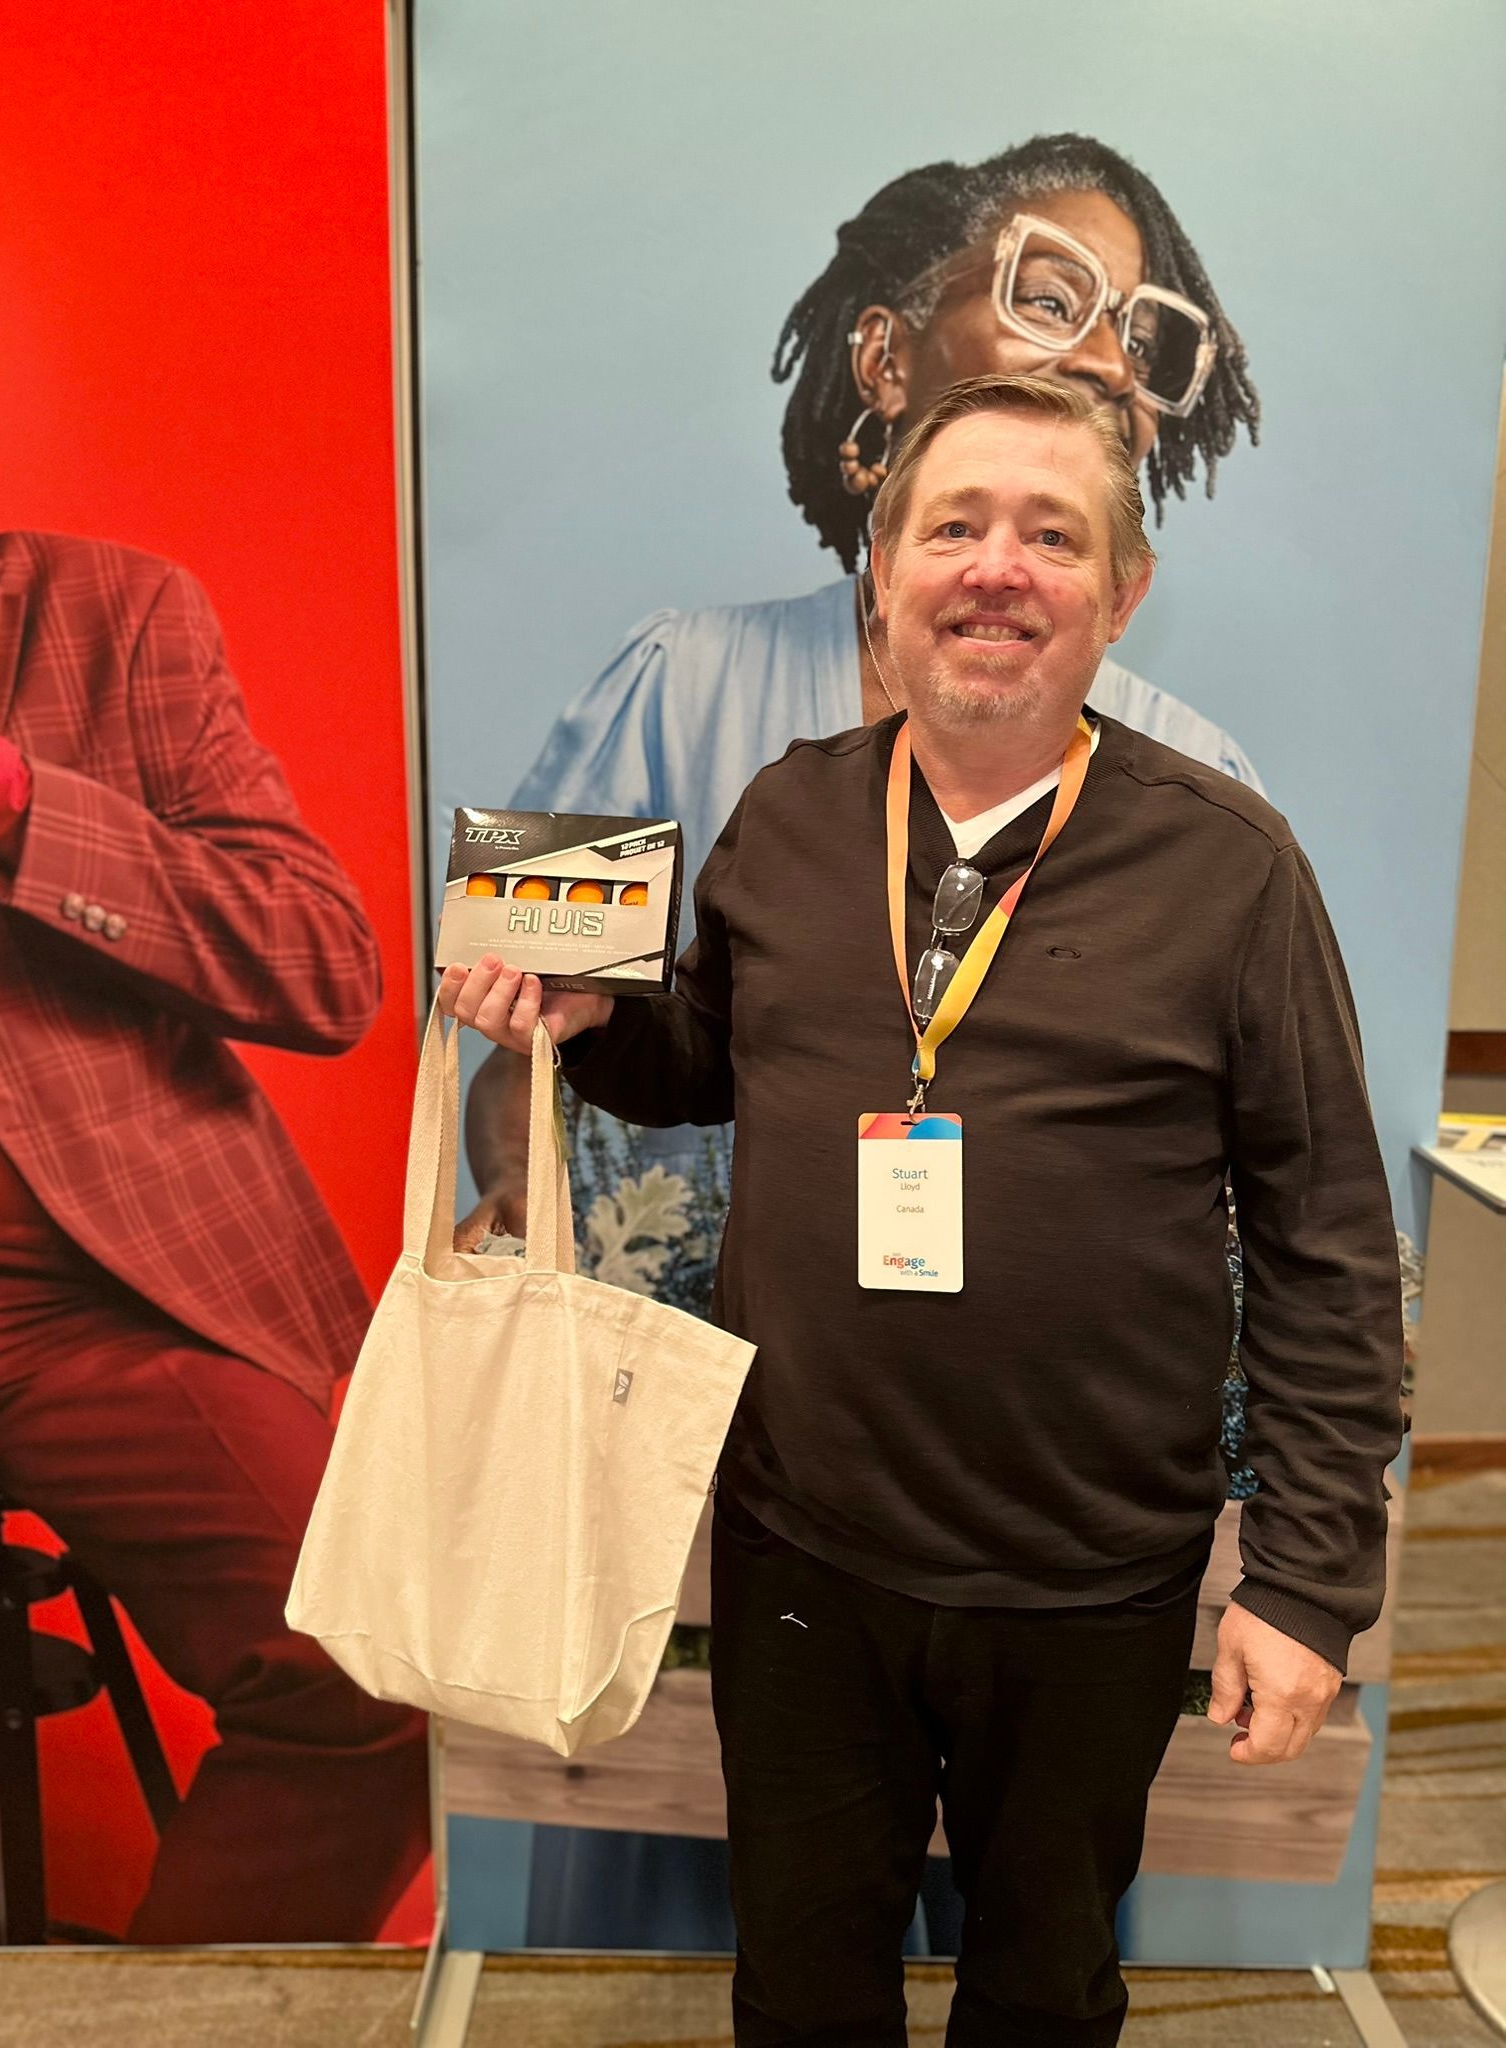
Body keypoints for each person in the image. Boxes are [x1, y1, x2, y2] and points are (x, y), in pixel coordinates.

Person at [441, 374, 1402, 2044]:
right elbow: (711, 1059)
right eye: (953, 527)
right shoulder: (790, 813)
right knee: (802, 1989)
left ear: (1123, 592)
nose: (997, 568)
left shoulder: (1233, 869)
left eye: (1052, 535)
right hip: (806, 1553)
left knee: (1044, 1991)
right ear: (881, 574)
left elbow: (1324, 1239)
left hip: (1090, 1576)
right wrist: (592, 1021)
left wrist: (1306, 1582)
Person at [461, 133, 1263, 1260]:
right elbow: (537, 1026)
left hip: (1048, 1344)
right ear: (884, 359)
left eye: (1140, 338)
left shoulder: (1204, 786)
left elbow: (1278, 1169)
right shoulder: (680, 686)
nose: (1106, 362)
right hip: (726, 1338)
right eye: (1049, 298)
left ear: (1126, 587)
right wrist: (523, 1205)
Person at [0, 242, 428, 1940]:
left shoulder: (110, 616)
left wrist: (8, 792)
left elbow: (321, 963)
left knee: (377, 1669)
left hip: (87, 1304)